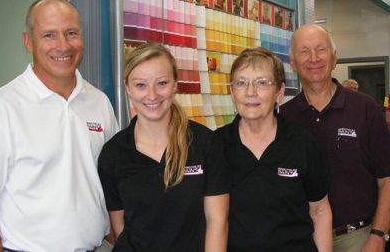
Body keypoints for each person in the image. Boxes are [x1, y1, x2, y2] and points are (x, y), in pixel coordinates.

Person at [0, 0, 119, 252]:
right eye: (49, 35)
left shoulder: (99, 102)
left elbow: (114, 179)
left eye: (71, 33)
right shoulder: (0, 108)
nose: (63, 45)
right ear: (28, 41)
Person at [97, 43, 230, 251]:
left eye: (161, 83)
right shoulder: (113, 154)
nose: (152, 95)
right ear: (127, 88)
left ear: (175, 84)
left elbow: (217, 222)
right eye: (141, 85)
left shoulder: (205, 143)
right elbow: (120, 228)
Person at [281, 23, 390, 252]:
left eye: (321, 49)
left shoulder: (365, 108)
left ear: (334, 58)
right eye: (304, 51)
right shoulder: (284, 117)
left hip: (357, 238)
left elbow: (387, 178)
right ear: (292, 63)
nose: (314, 58)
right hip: (303, 238)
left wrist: (379, 235)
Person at [215, 47, 332, 251]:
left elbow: (320, 211)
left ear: (279, 92)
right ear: (232, 91)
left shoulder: (302, 143)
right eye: (242, 83)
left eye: (262, 83)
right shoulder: (215, 145)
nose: (251, 92)